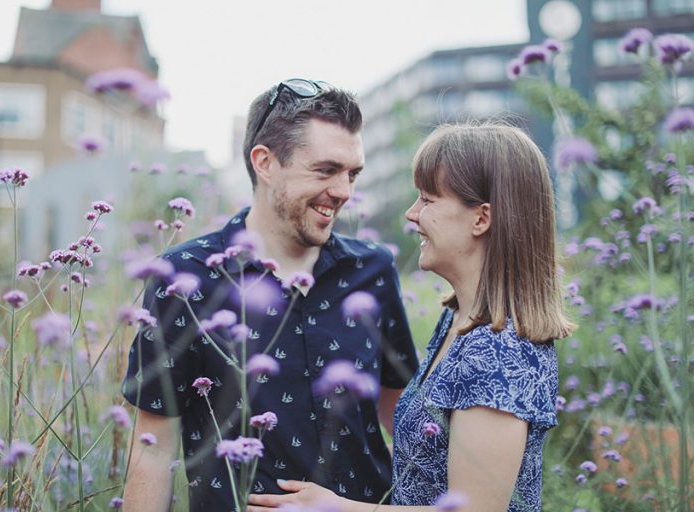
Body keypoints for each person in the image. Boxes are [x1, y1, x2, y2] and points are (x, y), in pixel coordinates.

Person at [121, 79, 419, 511]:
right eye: (325, 170)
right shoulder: (184, 279)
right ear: (265, 162)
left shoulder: (373, 270)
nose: (344, 192)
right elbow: (153, 449)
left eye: (352, 173)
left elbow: (404, 420)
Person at [248, 123, 577, 512]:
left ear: (481, 218)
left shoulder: (498, 353)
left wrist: (338, 508)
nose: (412, 214)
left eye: (428, 200)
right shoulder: (459, 322)